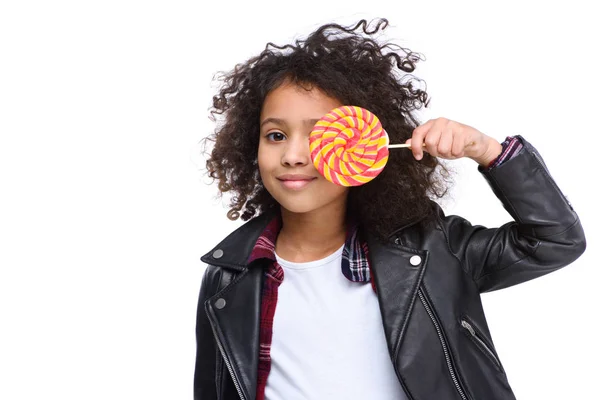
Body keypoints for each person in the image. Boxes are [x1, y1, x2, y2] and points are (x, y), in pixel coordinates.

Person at [194, 18, 586, 400]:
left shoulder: (434, 250)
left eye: (320, 135)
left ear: (362, 148)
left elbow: (555, 240)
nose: (294, 155)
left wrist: (487, 152)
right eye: (276, 135)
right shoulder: (229, 276)